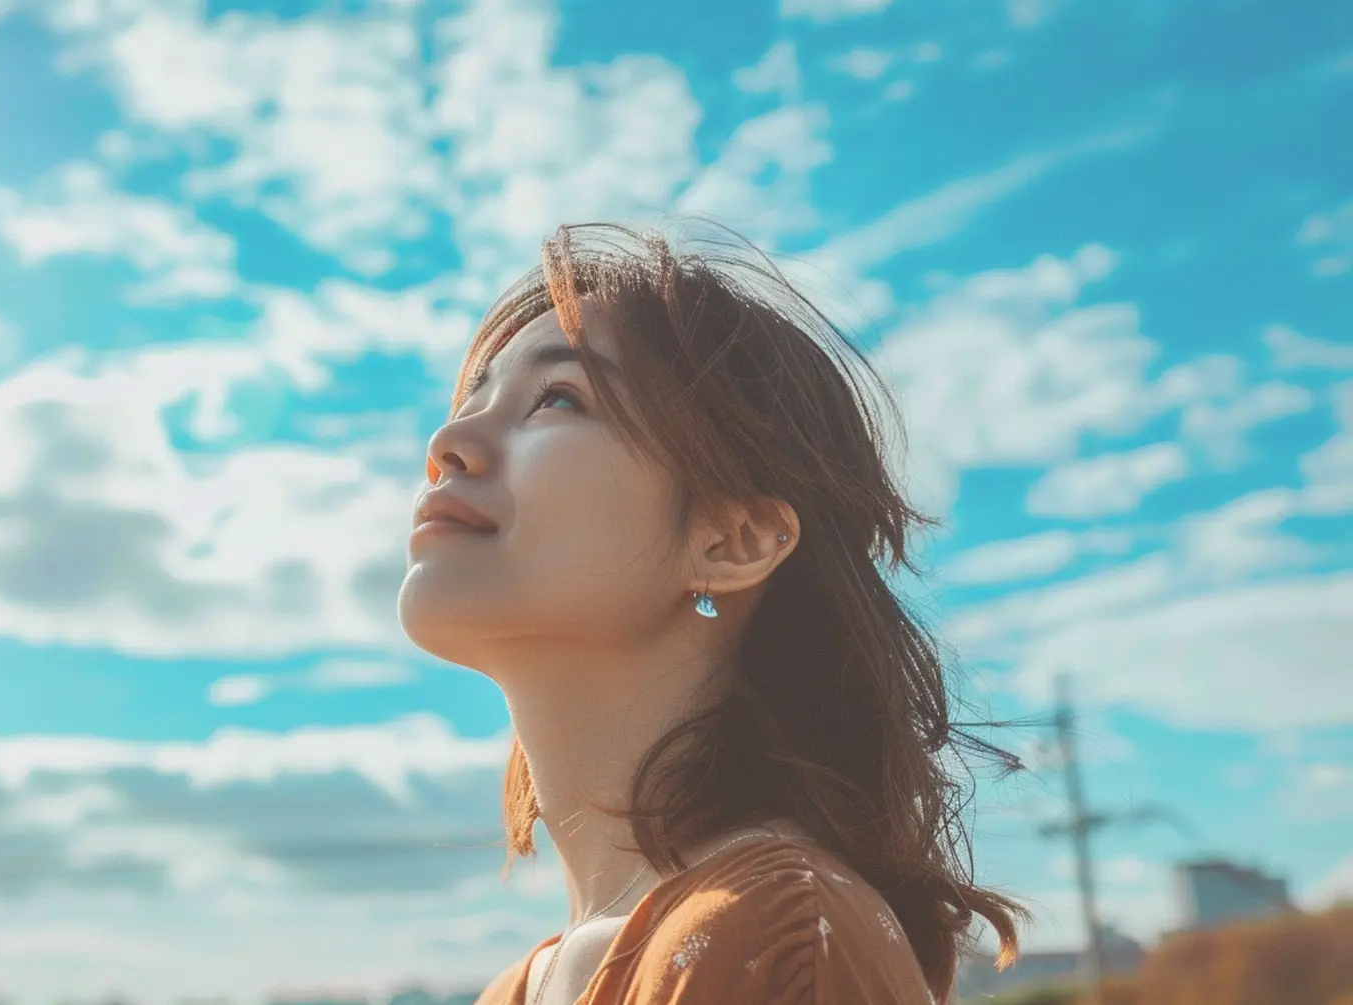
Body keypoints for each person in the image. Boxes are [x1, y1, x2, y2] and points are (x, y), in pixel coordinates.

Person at [397, 223, 1026, 1005]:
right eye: (472, 398)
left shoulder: (777, 933)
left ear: (735, 539)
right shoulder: (517, 990)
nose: (449, 439)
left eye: (558, 397)